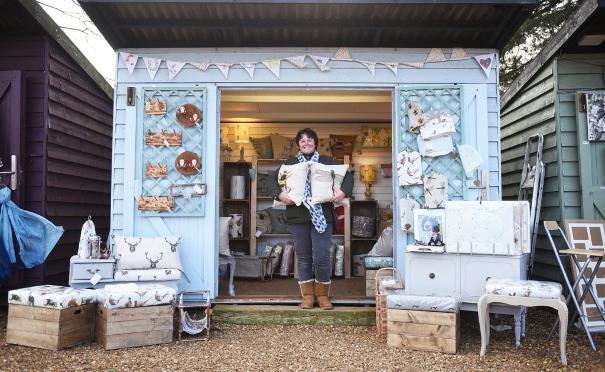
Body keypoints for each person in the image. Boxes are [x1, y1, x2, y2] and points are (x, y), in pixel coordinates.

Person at [269, 128, 353, 310]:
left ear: (315, 142)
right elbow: (271, 180)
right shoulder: (289, 164)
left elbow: (348, 177)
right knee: (304, 257)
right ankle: (307, 296)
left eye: (309, 139)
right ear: (298, 144)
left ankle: (322, 295)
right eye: (302, 140)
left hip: (323, 215)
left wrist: (342, 193)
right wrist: (280, 195)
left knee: (322, 256)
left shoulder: (327, 162)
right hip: (297, 216)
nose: (306, 143)